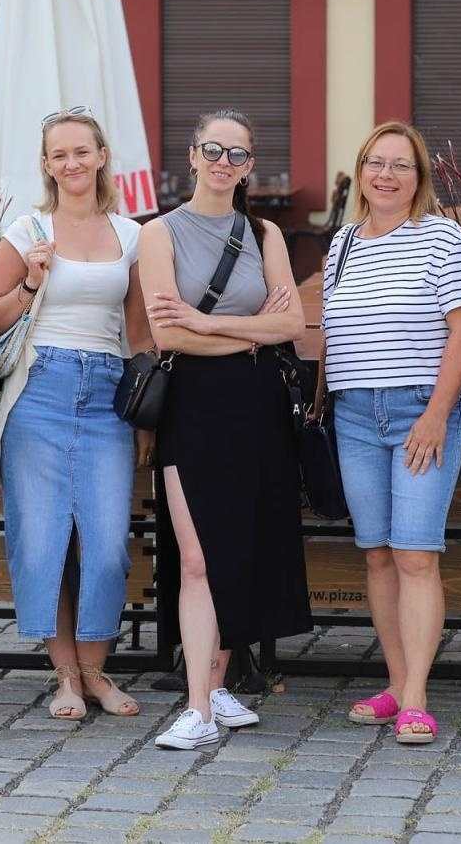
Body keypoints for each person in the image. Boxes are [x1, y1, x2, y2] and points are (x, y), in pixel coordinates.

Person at [138, 108, 311, 750]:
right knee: (199, 557)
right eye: (213, 150)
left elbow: (291, 328)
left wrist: (209, 324)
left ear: (248, 167)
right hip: (194, 405)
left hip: (257, 405)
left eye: (237, 155)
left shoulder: (263, 232)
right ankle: (196, 709)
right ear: (192, 155)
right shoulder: (159, 234)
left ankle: (217, 688)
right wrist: (246, 330)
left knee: (240, 549)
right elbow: (165, 333)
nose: (224, 163)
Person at [0, 106, 154, 720]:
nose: (73, 162)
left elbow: (139, 336)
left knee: (107, 546)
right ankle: (66, 680)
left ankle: (97, 672)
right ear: (47, 165)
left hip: (107, 393)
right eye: (60, 154)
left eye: (83, 151)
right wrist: (29, 282)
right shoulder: (27, 231)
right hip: (40, 390)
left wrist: (143, 418)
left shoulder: (132, 235)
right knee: (44, 542)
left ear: (102, 155)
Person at [320, 120, 461, 745]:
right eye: (375, 163)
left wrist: (437, 412)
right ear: (361, 172)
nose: (386, 175)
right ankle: (394, 682)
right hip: (356, 415)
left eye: (400, 165)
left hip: (421, 410)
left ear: (420, 178)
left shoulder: (442, 237)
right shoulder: (344, 244)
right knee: (379, 554)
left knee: (415, 554)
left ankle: (416, 697)